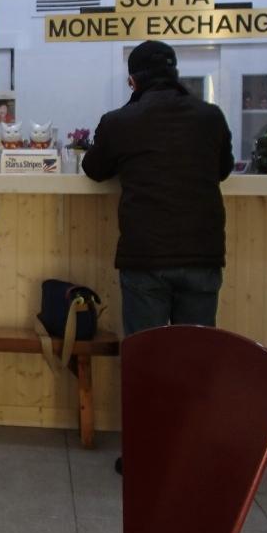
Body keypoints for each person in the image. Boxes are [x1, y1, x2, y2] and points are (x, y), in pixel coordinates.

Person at [81, 40, 234, 473]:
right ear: (175, 72)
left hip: (145, 257)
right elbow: (223, 168)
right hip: (202, 255)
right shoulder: (210, 116)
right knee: (195, 360)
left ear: (132, 80)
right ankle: (192, 456)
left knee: (146, 363)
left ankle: (146, 458)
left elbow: (94, 169)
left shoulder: (120, 121)